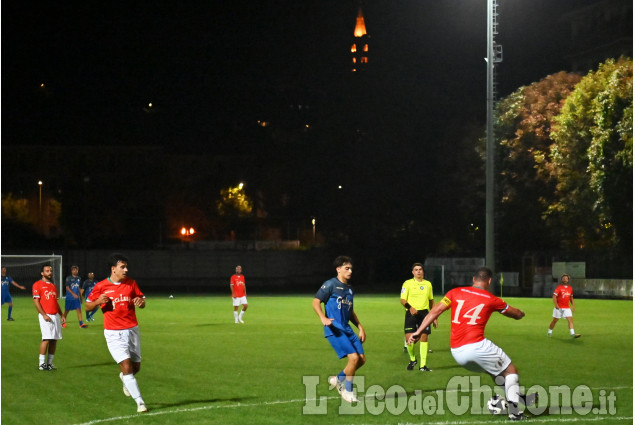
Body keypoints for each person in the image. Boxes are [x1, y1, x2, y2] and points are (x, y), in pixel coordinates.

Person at [409, 267, 536, 421]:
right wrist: (521, 313)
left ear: (473, 280)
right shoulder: (492, 299)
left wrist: (418, 331)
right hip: (477, 346)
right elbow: (516, 315)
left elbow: (435, 311)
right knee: (511, 372)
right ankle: (515, 413)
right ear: (489, 281)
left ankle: (519, 398)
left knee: (495, 371)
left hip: (457, 352)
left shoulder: (454, 292)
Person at [85, 253, 148, 413]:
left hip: (132, 329)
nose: (126, 269)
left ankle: (124, 379)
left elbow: (141, 301)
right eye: (122, 267)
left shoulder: (131, 283)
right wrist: (98, 302)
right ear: (113, 269)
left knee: (136, 367)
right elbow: (87, 306)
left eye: (126, 267)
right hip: (114, 333)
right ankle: (140, 402)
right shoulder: (100, 286)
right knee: (126, 366)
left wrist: (141, 303)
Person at [312, 256, 366, 403]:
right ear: (338, 269)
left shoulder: (349, 289)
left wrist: (360, 327)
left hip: (347, 328)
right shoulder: (330, 284)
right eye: (346, 268)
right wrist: (323, 318)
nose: (350, 271)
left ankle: (338, 379)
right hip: (335, 329)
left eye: (351, 269)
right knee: (353, 358)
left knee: (361, 360)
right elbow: (316, 302)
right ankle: (347, 391)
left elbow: (350, 311)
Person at [401, 262, 437, 372]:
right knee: (409, 341)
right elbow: (402, 300)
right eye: (416, 269)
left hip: (425, 314)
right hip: (411, 313)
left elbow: (431, 301)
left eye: (420, 269)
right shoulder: (407, 284)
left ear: (423, 271)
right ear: (413, 272)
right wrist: (410, 307)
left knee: (424, 337)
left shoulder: (428, 284)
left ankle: (423, 366)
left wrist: (434, 316)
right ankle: (413, 359)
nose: (418, 271)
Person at [32, 264, 65, 370]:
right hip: (45, 315)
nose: (49, 272)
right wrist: (44, 314)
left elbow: (55, 302)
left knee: (54, 340)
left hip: (55, 315)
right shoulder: (37, 284)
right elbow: (36, 301)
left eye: (50, 270)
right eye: (47, 271)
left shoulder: (53, 286)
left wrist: (61, 314)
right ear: (42, 273)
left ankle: (49, 363)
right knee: (46, 339)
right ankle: (41, 364)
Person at [547, 274, 581, 338]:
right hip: (559, 308)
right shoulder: (559, 287)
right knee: (555, 321)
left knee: (570, 320)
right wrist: (556, 305)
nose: (565, 279)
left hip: (567, 308)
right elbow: (554, 297)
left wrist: (573, 306)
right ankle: (549, 332)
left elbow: (571, 298)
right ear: (561, 280)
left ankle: (572, 334)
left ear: (568, 280)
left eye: (566, 278)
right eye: (564, 278)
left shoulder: (570, 288)